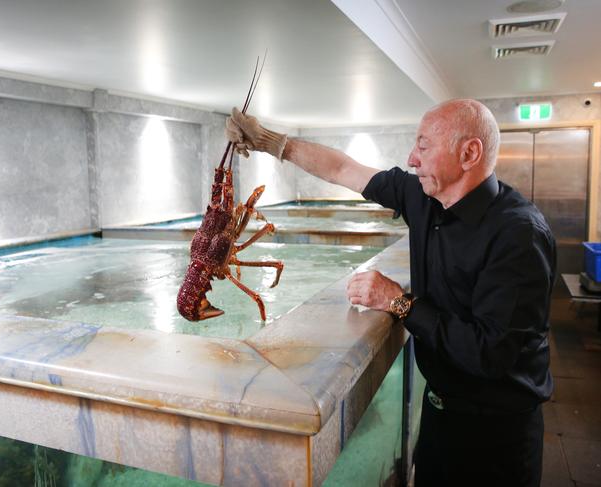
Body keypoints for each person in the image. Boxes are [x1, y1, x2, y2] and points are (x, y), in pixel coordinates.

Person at [226, 99, 556, 487]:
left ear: (469, 153)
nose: (411, 158)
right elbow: (342, 168)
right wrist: (271, 141)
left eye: (423, 145)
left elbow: (489, 353)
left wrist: (397, 302)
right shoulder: (424, 197)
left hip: (495, 437)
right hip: (440, 415)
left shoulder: (518, 234)